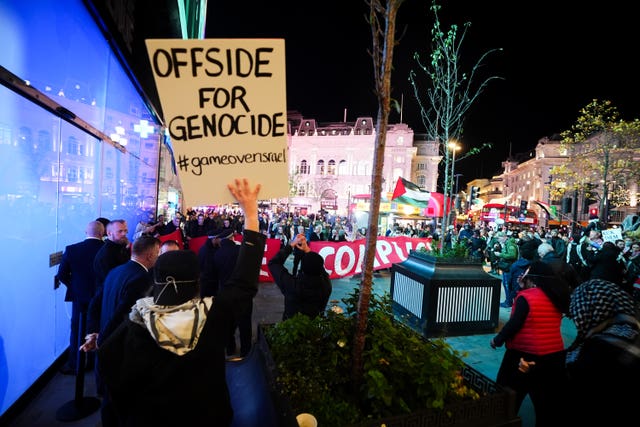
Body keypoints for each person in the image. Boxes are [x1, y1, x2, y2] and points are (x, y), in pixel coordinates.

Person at [96, 178, 265, 427]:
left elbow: (109, 364)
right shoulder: (212, 316)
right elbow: (243, 283)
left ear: (156, 278)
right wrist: (250, 214)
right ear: (196, 281)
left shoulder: (136, 322)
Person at [490, 261, 571, 426]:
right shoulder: (555, 296)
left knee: (507, 395)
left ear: (532, 277)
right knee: (545, 403)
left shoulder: (527, 297)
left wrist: (497, 340)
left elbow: (514, 323)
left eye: (526, 273)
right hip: (554, 356)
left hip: (523, 356)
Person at [565, 279, 640, 425]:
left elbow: (579, 385)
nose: (577, 317)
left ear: (592, 309)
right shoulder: (630, 333)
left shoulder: (602, 346)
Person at [55, 220, 105, 375]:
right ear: (102, 233)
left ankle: (75, 364)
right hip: (100, 297)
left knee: (77, 329)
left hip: (79, 297)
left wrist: (75, 287)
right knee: (98, 328)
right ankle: (95, 363)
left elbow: (62, 275)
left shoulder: (72, 249)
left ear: (85, 232)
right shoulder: (107, 250)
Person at [268, 233, 332, 320]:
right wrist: (307, 249)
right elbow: (318, 267)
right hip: (316, 328)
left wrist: (291, 245)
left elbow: (274, 263)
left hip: (291, 329)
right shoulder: (326, 285)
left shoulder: (292, 285)